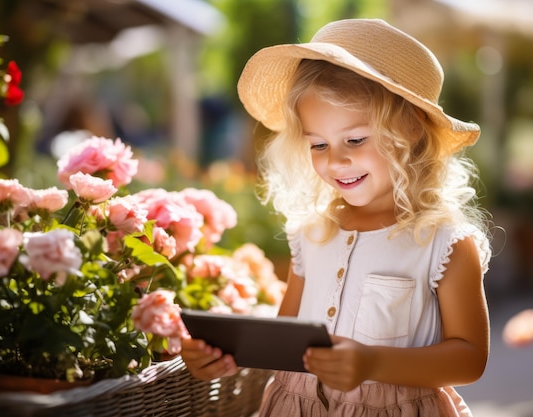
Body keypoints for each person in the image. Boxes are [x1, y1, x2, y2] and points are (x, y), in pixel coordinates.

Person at [181, 18, 492, 417]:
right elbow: (286, 341)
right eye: (319, 144)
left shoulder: (443, 242)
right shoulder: (312, 234)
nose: (335, 160)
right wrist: (223, 355)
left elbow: (470, 360)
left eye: (356, 139)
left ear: (412, 128)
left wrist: (372, 364)